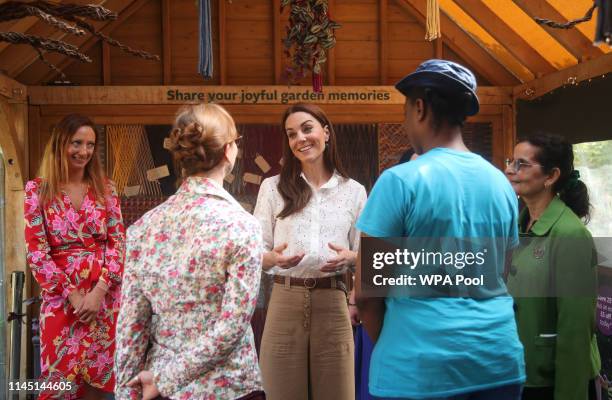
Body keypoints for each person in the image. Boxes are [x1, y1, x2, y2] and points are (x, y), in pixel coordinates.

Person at [355, 59, 525, 400]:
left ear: (419, 108)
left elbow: (367, 295)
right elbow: (499, 274)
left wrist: (398, 346)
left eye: (405, 112)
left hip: (419, 372)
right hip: (498, 363)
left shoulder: (399, 181)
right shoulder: (501, 183)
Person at [114, 104, 265, 400]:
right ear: (228, 151)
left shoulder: (143, 228)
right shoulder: (242, 225)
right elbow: (232, 325)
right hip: (228, 386)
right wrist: (167, 379)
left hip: (157, 383)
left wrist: (125, 390)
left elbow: (131, 323)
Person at [254, 103, 367, 400]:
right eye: (291, 135)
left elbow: (368, 255)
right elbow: (253, 252)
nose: (300, 139)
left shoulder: (354, 190)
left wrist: (352, 258)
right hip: (283, 302)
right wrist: (270, 259)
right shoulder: (271, 187)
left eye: (307, 129)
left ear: (326, 133)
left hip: (334, 302)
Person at [24, 114, 125, 400]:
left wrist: (99, 292)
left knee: (99, 386)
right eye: (77, 143)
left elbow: (118, 244)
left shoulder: (106, 189)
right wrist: (73, 295)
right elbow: (37, 252)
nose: (84, 151)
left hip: (104, 299)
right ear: (60, 144)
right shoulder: (36, 191)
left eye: (90, 144)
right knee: (59, 387)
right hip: (60, 300)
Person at [505, 133, 600, 400]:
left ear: (550, 176)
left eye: (521, 164)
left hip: (555, 382)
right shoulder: (518, 226)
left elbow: (575, 327)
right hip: (521, 373)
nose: (510, 170)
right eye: (511, 161)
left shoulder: (570, 234)